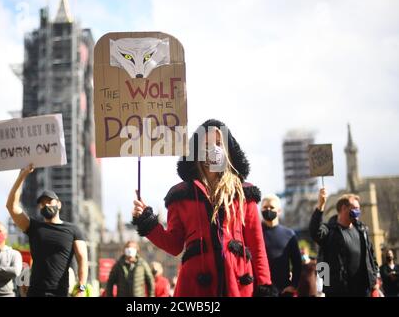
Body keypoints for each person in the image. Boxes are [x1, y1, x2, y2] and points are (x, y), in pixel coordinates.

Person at [132, 119, 274, 297]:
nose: (213, 148)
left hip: (238, 284)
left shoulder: (244, 193)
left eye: (218, 143)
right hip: (196, 287)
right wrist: (147, 221)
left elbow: (257, 246)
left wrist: (265, 286)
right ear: (196, 151)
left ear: (228, 149)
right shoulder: (181, 195)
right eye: (206, 144)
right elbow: (174, 245)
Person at [6, 164, 88, 297]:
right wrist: (22, 175)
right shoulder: (33, 227)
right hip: (36, 292)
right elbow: (11, 206)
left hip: (60, 292)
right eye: (43, 203)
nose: (46, 205)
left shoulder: (73, 230)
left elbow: (82, 259)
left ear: (59, 204)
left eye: (50, 201)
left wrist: (82, 287)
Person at [309, 188, 379, 297]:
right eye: (355, 208)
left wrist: (374, 279)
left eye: (359, 208)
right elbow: (315, 232)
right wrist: (320, 206)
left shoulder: (362, 231)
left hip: (362, 290)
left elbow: (372, 257)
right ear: (344, 208)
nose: (358, 211)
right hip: (338, 291)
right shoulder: (329, 231)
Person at [261, 194, 302, 296]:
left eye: (272, 207)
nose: (268, 210)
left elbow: (297, 263)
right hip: (261, 290)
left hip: (283, 290)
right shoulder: (255, 234)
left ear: (279, 211)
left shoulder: (289, 234)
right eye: (265, 207)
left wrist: (294, 285)